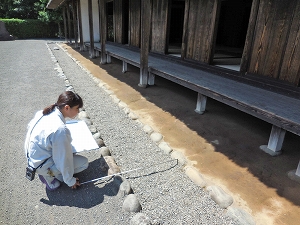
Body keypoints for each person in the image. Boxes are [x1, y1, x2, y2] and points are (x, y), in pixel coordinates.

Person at [24, 91, 89, 191]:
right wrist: (70, 181)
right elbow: (63, 160)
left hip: (33, 157)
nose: (78, 111)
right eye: (77, 108)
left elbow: (29, 127)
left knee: (67, 149)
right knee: (84, 163)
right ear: (67, 107)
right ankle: (50, 176)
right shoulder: (60, 129)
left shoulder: (44, 112)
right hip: (41, 164)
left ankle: (49, 172)